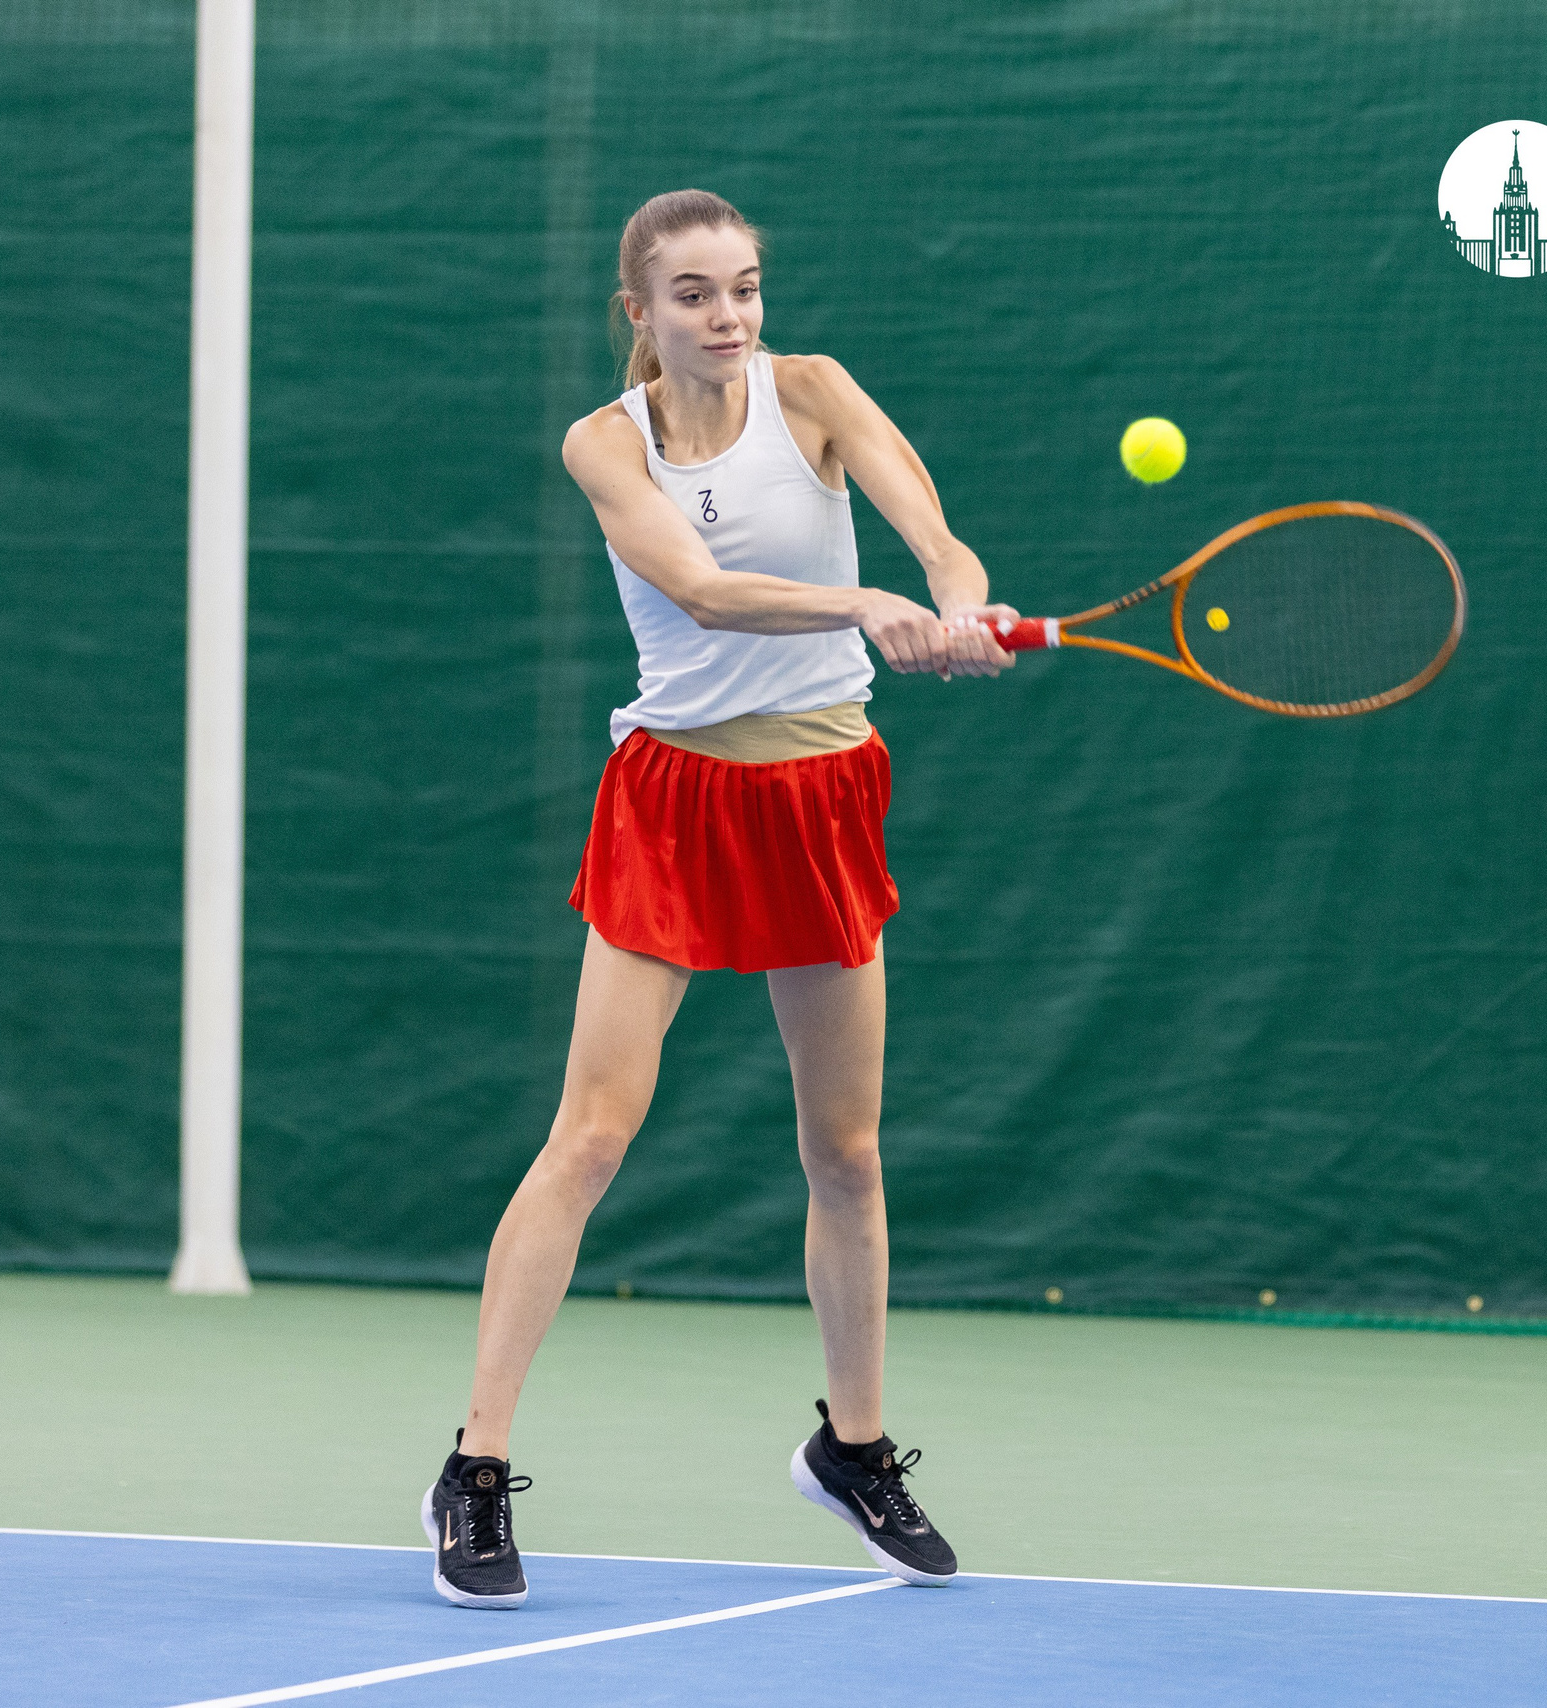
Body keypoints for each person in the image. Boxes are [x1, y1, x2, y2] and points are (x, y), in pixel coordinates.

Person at [420, 189, 1017, 1609]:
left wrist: (954, 599)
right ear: (639, 311)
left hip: (823, 793)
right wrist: (868, 607)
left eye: (744, 287)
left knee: (847, 1152)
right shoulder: (604, 443)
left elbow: (935, 537)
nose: (728, 315)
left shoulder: (815, 392)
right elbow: (697, 588)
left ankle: (853, 1449)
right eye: (693, 294)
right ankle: (474, 1469)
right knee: (591, 1135)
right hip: (677, 800)